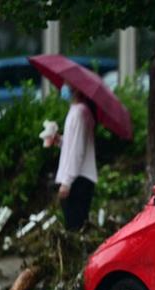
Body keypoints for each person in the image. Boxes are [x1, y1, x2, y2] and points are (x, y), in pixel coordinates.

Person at [54, 87, 97, 231]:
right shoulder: (77, 111)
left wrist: (67, 182)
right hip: (78, 178)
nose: (64, 88)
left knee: (74, 228)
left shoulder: (80, 112)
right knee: (75, 226)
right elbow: (73, 144)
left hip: (78, 179)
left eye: (68, 84)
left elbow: (77, 150)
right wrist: (59, 141)